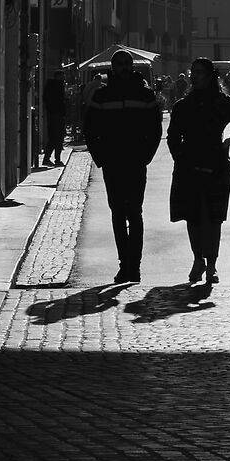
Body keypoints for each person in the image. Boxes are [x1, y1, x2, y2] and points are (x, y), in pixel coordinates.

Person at [167, 54, 230, 287]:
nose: (194, 76)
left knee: (214, 217)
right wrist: (180, 157)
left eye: (199, 72)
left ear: (210, 76)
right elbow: (173, 136)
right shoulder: (183, 105)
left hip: (217, 163)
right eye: (193, 72)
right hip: (189, 165)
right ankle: (197, 260)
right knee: (192, 217)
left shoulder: (222, 102)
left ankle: (211, 264)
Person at [83, 48, 164, 284]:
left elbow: (155, 129)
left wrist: (147, 155)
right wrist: (101, 157)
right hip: (113, 163)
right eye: (119, 64)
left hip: (136, 162)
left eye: (127, 64)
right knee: (118, 213)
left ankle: (134, 266)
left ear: (132, 67)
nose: (124, 68)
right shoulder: (102, 96)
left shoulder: (145, 95)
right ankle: (124, 264)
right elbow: (91, 129)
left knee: (135, 213)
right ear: (113, 68)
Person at [42, 65, 67, 166]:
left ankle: (48, 158)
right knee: (57, 138)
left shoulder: (52, 86)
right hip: (57, 115)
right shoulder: (57, 86)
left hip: (53, 114)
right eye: (62, 76)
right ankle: (56, 159)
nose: (64, 78)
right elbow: (60, 101)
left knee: (53, 138)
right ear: (58, 77)